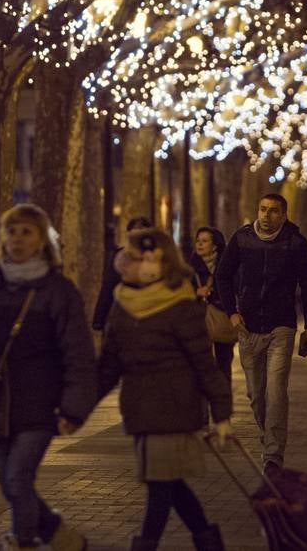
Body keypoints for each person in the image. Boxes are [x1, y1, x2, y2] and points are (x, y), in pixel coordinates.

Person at [0, 204, 96, 551]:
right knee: (7, 482)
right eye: (12, 231)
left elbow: (78, 353)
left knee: (19, 478)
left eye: (26, 232)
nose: (17, 239)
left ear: (41, 241)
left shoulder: (58, 291)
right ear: (2, 239)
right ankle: (59, 534)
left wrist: (73, 409)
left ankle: (22, 543)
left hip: (41, 403)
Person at [98, 226, 232, 551]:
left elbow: (205, 363)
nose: (144, 265)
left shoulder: (181, 304)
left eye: (151, 258)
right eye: (137, 258)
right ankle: (208, 540)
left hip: (175, 408)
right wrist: (73, 409)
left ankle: (146, 545)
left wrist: (222, 415)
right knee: (171, 485)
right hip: (140, 410)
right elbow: (108, 367)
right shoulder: (123, 304)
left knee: (160, 488)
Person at [215, 193, 307, 474]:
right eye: (262, 209)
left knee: (275, 392)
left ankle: (273, 454)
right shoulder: (242, 239)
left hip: (281, 326)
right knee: (255, 394)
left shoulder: (295, 243)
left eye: (273, 211)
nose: (266, 215)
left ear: (283, 215)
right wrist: (232, 312)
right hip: (247, 327)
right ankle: (268, 437)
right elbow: (222, 276)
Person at [188, 225, 235, 385]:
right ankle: (202, 405)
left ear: (215, 245)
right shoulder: (190, 267)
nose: (199, 244)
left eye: (205, 241)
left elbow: (236, 288)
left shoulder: (228, 265)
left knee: (224, 361)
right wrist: (196, 292)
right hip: (199, 319)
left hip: (222, 316)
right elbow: (180, 292)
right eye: (198, 241)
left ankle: (223, 401)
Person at [92, 215, 153, 333]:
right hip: (123, 315)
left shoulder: (155, 258)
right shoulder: (119, 257)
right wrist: (99, 319)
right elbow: (108, 286)